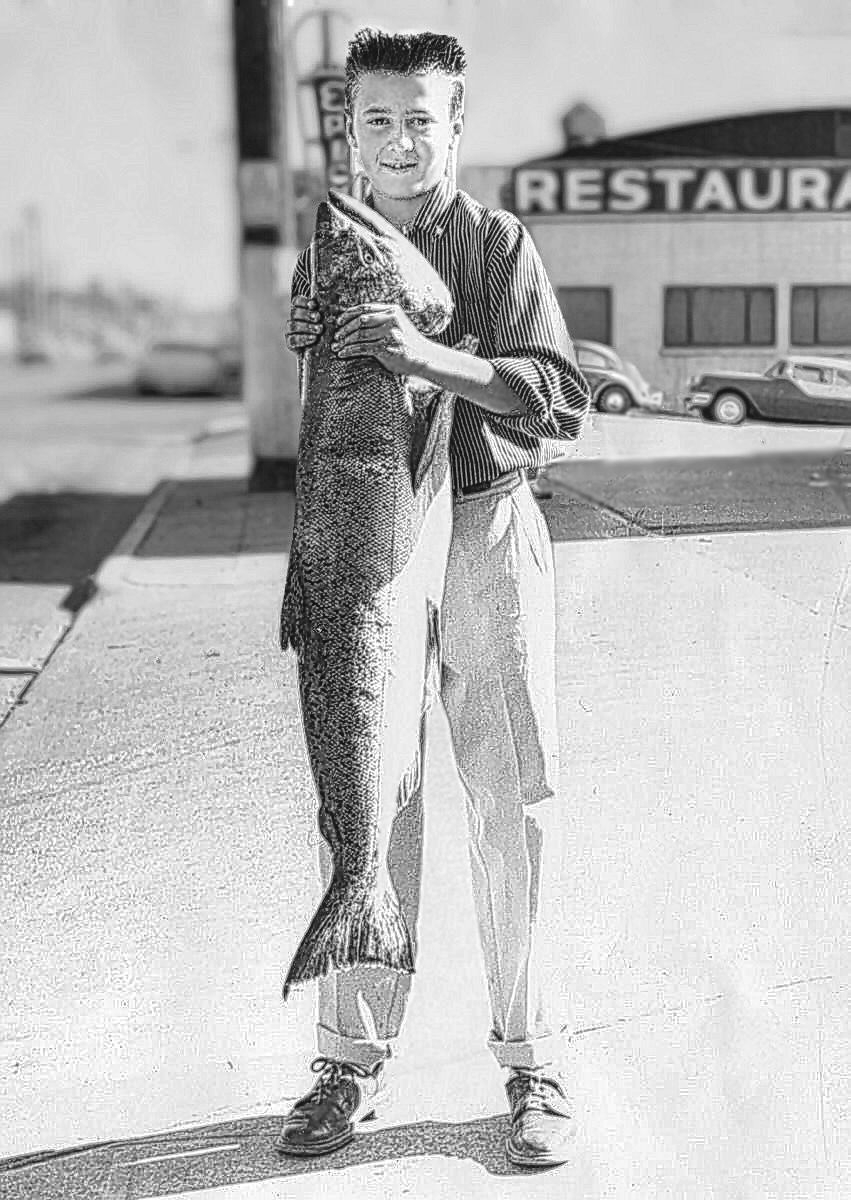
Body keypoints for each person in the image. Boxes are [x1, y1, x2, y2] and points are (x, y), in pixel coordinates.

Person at [277, 28, 592, 1169]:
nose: (399, 140)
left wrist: (426, 356)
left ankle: (531, 1060)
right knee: (365, 798)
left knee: (513, 797)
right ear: (350, 134)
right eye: (376, 121)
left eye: (420, 119)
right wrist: (309, 339)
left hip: (482, 531)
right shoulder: (335, 251)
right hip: (363, 555)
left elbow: (558, 399)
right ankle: (345, 1066)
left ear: (454, 128)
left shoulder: (495, 243)